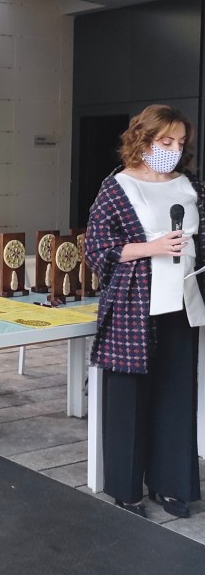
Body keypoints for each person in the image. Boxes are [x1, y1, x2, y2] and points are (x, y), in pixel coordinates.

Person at [84, 104, 204, 520]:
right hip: (134, 305)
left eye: (180, 142)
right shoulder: (118, 186)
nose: (174, 149)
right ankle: (126, 489)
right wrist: (152, 247)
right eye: (166, 141)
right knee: (129, 397)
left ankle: (171, 485)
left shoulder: (190, 186)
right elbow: (96, 249)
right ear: (144, 139)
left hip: (183, 303)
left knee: (176, 395)